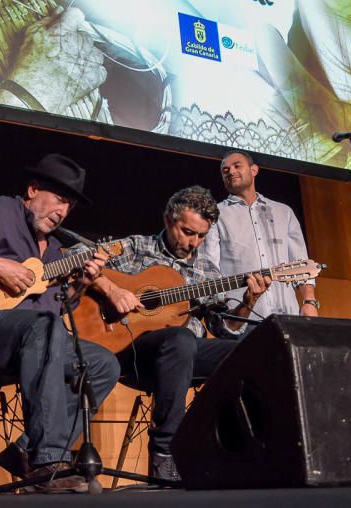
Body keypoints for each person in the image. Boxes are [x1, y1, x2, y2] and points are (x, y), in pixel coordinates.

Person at [0, 153, 121, 492]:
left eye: (69, 207)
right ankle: (47, 464)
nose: (62, 212)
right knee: (44, 327)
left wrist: (81, 285)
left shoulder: (58, 249)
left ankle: (26, 451)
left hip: (31, 341)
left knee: (103, 363)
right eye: (59, 200)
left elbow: (54, 309)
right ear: (32, 190)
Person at [89, 185, 271, 481]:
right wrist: (113, 289)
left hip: (184, 357)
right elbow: (77, 256)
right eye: (188, 232)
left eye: (201, 236)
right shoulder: (137, 247)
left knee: (248, 350)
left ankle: (237, 454)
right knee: (181, 338)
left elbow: (224, 329)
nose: (194, 243)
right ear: (168, 219)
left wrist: (249, 301)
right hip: (132, 351)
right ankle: (166, 451)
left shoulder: (206, 271)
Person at [198, 151, 319, 326]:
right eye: (225, 170)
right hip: (242, 318)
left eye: (237, 166)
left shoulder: (283, 212)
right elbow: (210, 268)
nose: (231, 172)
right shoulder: (215, 214)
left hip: (287, 316)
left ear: (254, 170)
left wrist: (309, 302)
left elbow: (301, 263)